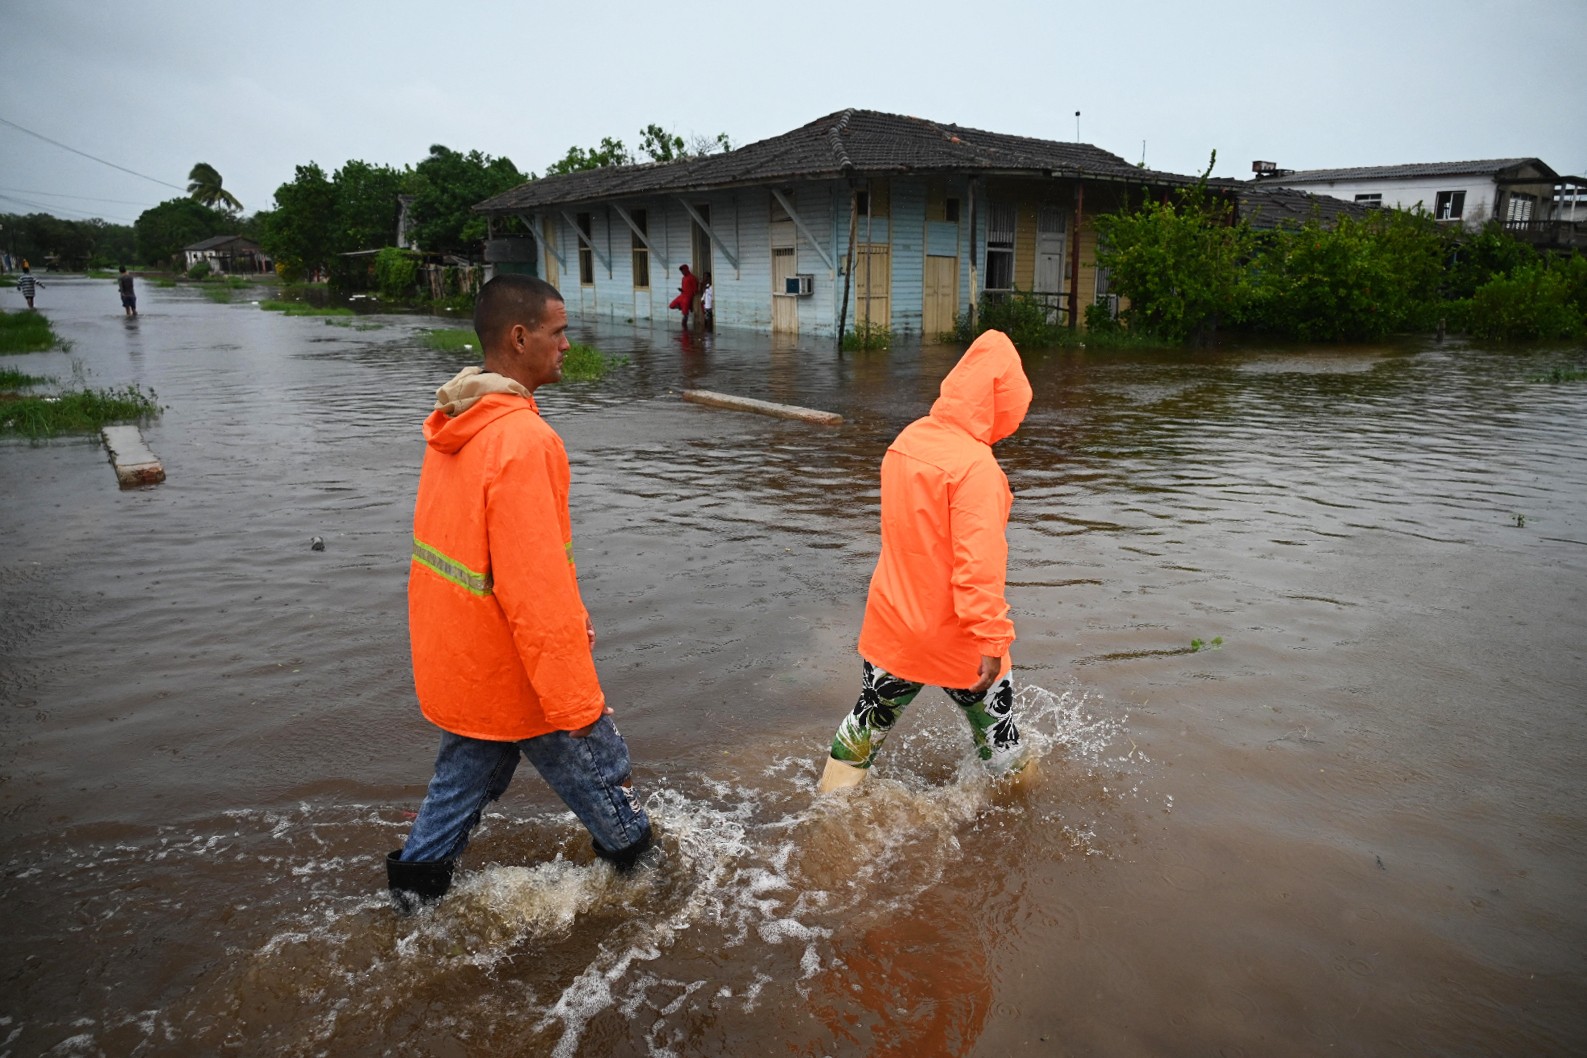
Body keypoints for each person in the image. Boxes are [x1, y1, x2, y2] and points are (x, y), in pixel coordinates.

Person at [387, 274, 653, 912]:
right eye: (558, 332)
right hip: (519, 671)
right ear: (518, 336)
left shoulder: (457, 427)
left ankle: (410, 912)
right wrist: (579, 705)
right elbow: (536, 590)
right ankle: (652, 893)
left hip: (467, 660)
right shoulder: (524, 441)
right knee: (615, 814)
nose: (566, 344)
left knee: (456, 791)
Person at [817, 329, 1035, 793]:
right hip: (955, 638)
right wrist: (992, 640)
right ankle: (1024, 823)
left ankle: (826, 812)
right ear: (1004, 401)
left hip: (894, 625)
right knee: (1002, 742)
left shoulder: (909, 438)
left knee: (864, 726)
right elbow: (978, 567)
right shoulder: (978, 469)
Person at [668, 264, 698, 328]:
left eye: (683, 271)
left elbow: (695, 289)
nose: (682, 272)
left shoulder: (692, 277)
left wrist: (692, 298)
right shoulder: (683, 278)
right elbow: (684, 287)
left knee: (685, 313)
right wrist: (682, 290)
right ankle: (680, 307)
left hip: (687, 296)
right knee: (671, 305)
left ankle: (684, 327)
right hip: (682, 295)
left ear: (686, 270)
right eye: (681, 271)